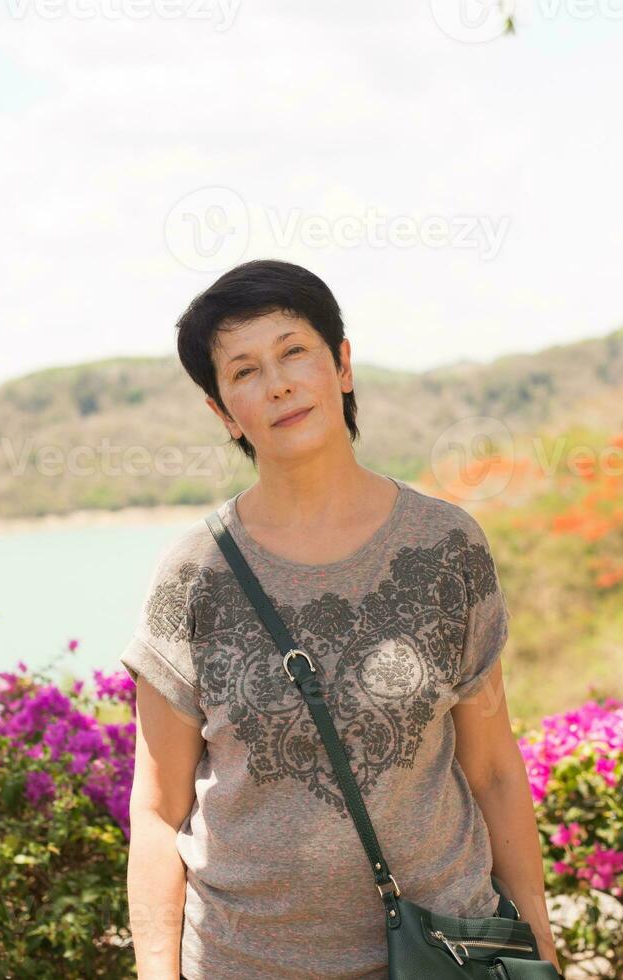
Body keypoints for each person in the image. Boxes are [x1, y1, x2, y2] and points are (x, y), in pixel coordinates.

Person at [121, 259, 560, 979]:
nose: (280, 383)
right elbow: (157, 812)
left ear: (342, 364)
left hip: (446, 953)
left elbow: (493, 771)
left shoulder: (447, 547)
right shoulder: (194, 575)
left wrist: (541, 954)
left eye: (295, 351)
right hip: (247, 962)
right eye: (244, 370)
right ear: (224, 411)